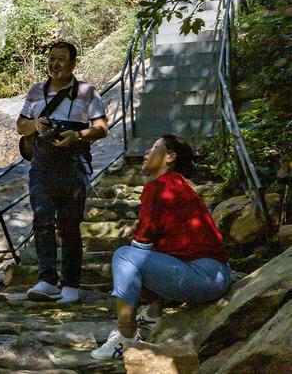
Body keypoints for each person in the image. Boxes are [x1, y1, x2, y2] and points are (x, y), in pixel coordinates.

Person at [91, 135, 234, 361]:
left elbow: (143, 240)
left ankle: (126, 335)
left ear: (170, 157)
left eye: (154, 147)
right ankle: (153, 314)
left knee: (125, 256)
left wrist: (131, 264)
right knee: (143, 255)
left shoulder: (158, 186)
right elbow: (161, 248)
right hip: (218, 274)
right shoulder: (179, 184)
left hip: (204, 276)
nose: (146, 152)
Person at [17, 41, 108, 304]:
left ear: (73, 64)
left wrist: (78, 134)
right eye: (51, 59)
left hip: (74, 163)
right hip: (42, 166)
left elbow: (102, 127)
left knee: (69, 226)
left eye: (61, 59)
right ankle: (46, 280)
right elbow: (20, 125)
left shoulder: (87, 92)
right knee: (42, 222)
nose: (54, 64)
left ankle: (70, 284)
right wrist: (35, 124)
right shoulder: (36, 91)